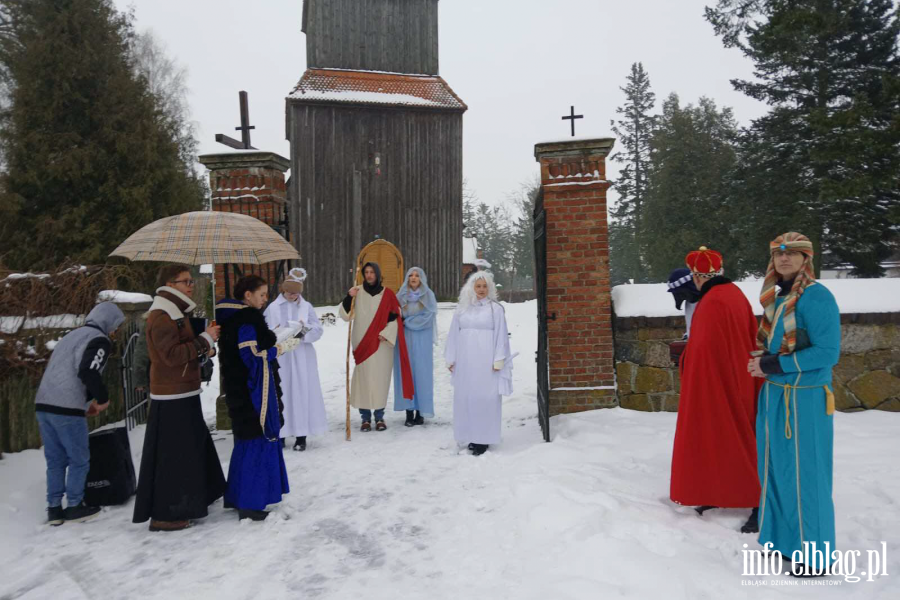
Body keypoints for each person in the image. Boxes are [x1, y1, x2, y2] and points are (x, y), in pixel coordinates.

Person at [748, 232, 840, 577]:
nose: (784, 259)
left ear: (806, 259)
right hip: (775, 395)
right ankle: (784, 543)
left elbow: (828, 353)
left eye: (792, 254)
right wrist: (766, 359)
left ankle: (815, 556)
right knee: (775, 472)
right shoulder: (776, 298)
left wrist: (774, 364)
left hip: (805, 401)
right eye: (778, 255)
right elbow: (780, 344)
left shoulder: (817, 297)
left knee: (808, 477)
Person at [670, 247, 761, 532]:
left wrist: (686, 361)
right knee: (727, 438)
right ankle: (717, 492)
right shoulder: (734, 294)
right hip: (739, 379)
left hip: (719, 386)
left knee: (731, 438)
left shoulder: (711, 302)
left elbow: (703, 352)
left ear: (697, 277)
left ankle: (759, 501)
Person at [133, 265, 225, 532]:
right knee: (173, 457)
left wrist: (203, 347)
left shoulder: (175, 312)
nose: (190, 285)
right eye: (185, 281)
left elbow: (181, 351)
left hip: (182, 390)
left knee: (189, 449)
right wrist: (204, 339)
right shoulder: (162, 315)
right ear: (169, 284)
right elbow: (170, 356)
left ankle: (200, 496)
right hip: (171, 395)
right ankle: (166, 514)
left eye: (190, 281)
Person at [34, 302, 125, 525]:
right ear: (108, 322)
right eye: (116, 325)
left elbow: (65, 371)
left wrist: (85, 405)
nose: (115, 331)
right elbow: (88, 371)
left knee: (55, 460)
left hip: (44, 404)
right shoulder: (99, 340)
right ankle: (75, 505)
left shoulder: (72, 336)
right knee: (79, 459)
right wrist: (102, 399)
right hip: (67, 408)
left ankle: (54, 509)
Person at [217, 276, 295, 521]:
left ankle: (238, 495)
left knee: (245, 441)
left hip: (240, 390)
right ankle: (250, 503)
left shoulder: (237, 319)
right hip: (250, 393)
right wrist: (279, 348)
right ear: (247, 296)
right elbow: (252, 356)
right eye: (261, 295)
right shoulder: (246, 322)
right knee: (256, 439)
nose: (264, 299)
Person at [444, 271, 514, 456]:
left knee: (485, 398)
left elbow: (501, 335)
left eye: (484, 286)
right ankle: (468, 434)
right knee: (466, 397)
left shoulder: (495, 309)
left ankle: (483, 438)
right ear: (471, 287)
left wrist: (499, 359)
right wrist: (451, 358)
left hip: (486, 361)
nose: (481, 290)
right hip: (466, 360)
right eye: (478, 286)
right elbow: (453, 334)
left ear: (489, 287)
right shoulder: (462, 309)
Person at [340, 262, 414, 431]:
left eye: (372, 272)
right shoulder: (357, 292)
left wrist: (386, 333)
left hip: (381, 343)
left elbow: (396, 318)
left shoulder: (387, 294)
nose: (369, 275)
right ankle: (365, 418)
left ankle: (379, 417)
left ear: (378, 274)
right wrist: (349, 297)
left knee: (380, 380)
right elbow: (346, 316)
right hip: (363, 342)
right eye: (366, 272)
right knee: (364, 380)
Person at [264, 267, 327, 451]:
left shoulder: (306, 307)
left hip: (301, 355)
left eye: (295, 293)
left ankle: (301, 434)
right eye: (289, 292)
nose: (292, 296)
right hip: (282, 354)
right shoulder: (273, 308)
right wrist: (275, 333)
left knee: (301, 391)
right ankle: (281, 433)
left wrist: (303, 329)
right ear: (283, 290)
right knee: (282, 390)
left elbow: (317, 329)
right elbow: (266, 328)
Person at [393, 267, 438, 427]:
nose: (413, 278)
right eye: (410, 275)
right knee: (406, 372)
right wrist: (402, 321)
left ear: (421, 279)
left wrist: (409, 322)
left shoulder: (428, 295)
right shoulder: (400, 295)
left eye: (417, 275)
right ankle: (408, 411)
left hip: (422, 337)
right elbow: (394, 314)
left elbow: (429, 316)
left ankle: (420, 411)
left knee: (421, 373)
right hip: (404, 338)